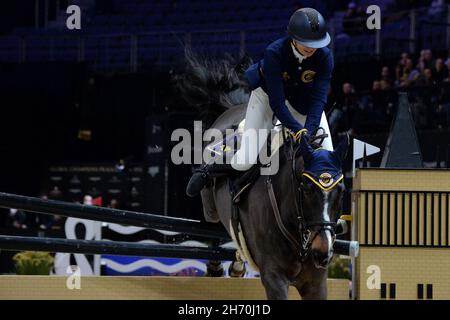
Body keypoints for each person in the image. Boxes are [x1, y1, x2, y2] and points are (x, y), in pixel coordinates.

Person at [186, 8, 334, 197]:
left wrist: (309, 131)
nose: (311, 48)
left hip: (305, 104)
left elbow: (318, 99)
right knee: (245, 161)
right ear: (293, 38)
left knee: (327, 159)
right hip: (266, 100)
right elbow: (277, 103)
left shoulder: (325, 57)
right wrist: (298, 131)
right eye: (307, 42)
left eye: (316, 43)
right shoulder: (275, 53)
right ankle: (209, 168)